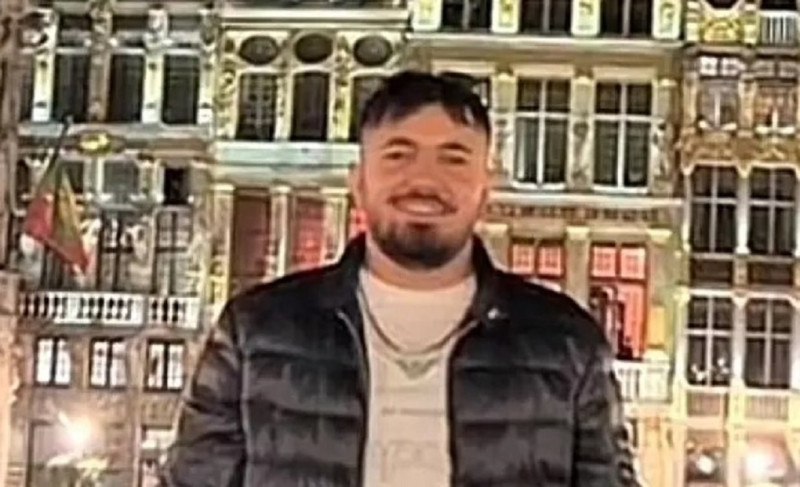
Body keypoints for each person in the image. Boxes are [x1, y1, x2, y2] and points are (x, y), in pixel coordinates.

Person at [162, 70, 641, 487]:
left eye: (453, 158)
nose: (424, 181)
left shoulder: (567, 343)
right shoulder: (253, 333)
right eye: (398, 155)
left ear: (486, 189)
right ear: (358, 183)